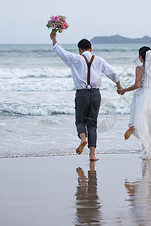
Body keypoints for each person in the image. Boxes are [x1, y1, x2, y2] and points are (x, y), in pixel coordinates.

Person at [50, 31, 122, 161]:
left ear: (79, 49)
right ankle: (92, 155)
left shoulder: (75, 59)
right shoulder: (99, 60)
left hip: (82, 94)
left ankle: (83, 139)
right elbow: (113, 73)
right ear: (91, 49)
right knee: (92, 124)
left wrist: (54, 39)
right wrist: (119, 86)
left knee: (80, 120)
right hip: (96, 94)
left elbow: (60, 51)